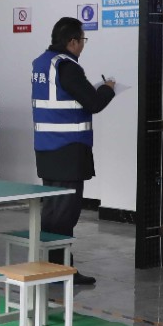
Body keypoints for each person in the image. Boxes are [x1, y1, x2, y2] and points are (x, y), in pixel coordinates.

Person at [31, 17, 116, 286]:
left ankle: (52, 266)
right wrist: (108, 89)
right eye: (82, 40)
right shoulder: (67, 67)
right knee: (64, 215)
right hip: (67, 150)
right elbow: (93, 103)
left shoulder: (42, 63)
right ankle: (59, 270)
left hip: (47, 149)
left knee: (52, 212)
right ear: (72, 42)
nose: (83, 45)